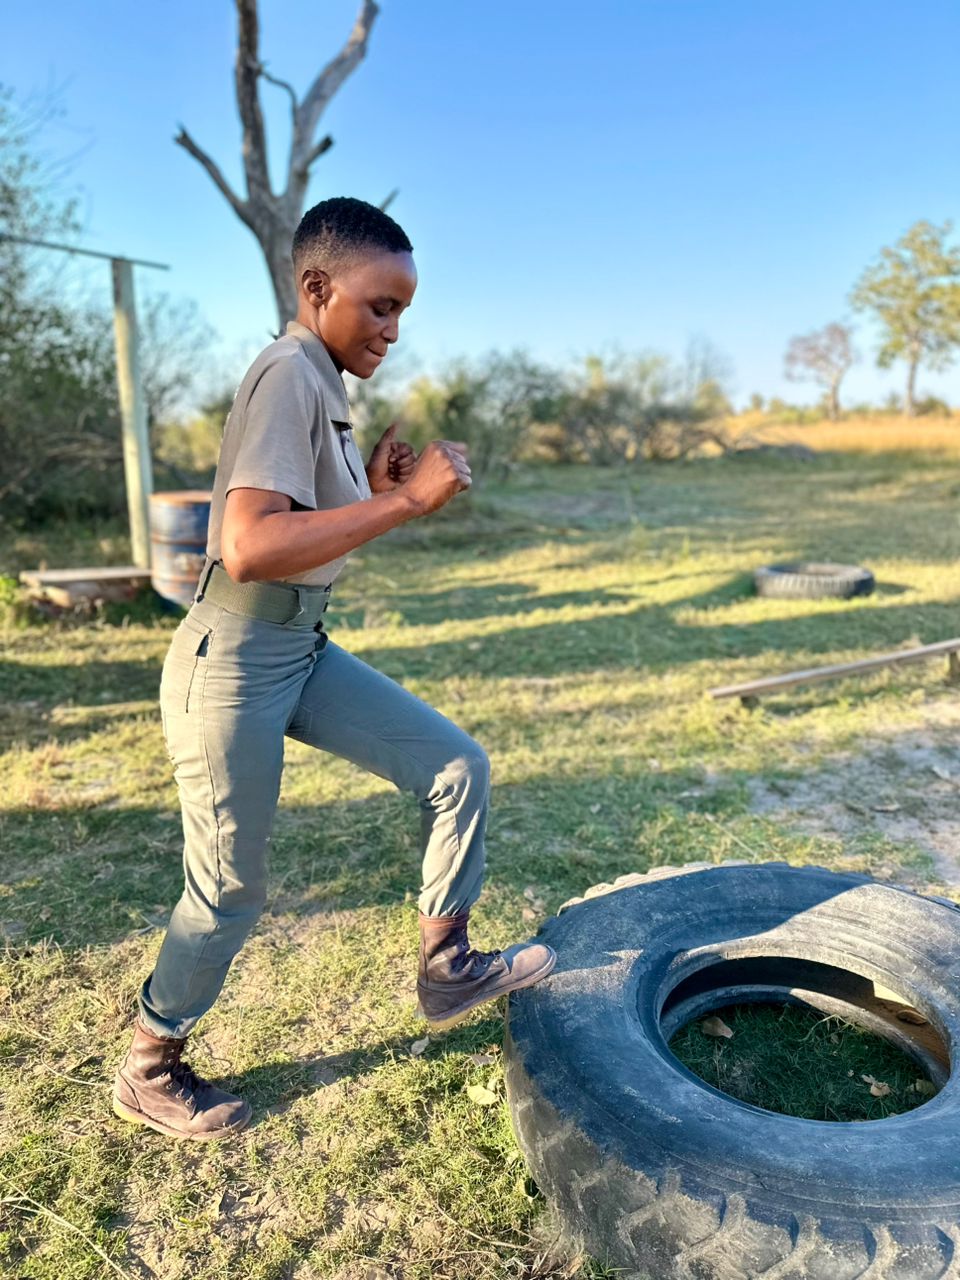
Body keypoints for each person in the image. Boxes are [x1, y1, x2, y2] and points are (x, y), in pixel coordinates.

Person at [112, 197, 557, 1141]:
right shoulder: (288, 372)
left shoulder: (324, 378)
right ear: (317, 288)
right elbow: (249, 546)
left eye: (403, 312)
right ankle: (149, 1065)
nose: (393, 330)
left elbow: (308, 533)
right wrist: (408, 505)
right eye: (380, 306)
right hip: (231, 663)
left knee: (455, 767)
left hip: (299, 648)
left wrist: (378, 488)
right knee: (228, 891)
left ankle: (447, 966)